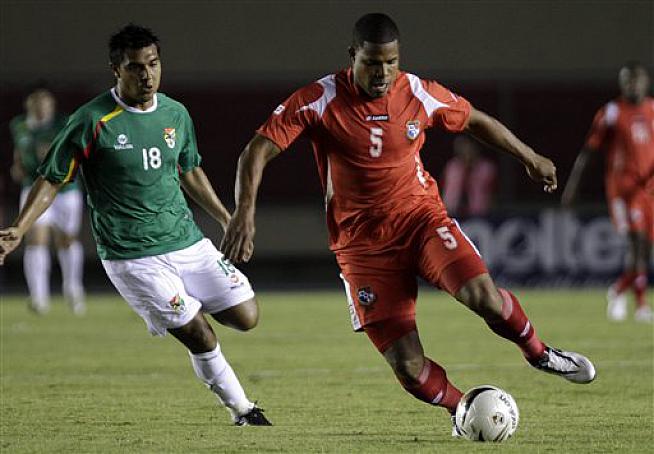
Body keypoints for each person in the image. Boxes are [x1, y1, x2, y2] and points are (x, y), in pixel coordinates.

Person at [222, 13, 595, 434]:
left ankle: (540, 354)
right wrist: (244, 211)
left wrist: (530, 157)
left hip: (421, 221)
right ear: (352, 56)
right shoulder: (320, 99)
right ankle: (462, 410)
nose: (382, 73)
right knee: (408, 366)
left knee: (483, 296)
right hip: (361, 248)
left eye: (391, 62)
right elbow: (256, 151)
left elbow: (474, 119)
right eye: (372, 63)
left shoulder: (417, 92)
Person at [0, 24, 271, 426]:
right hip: (133, 256)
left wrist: (226, 218)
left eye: (153, 64)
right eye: (135, 67)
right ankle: (242, 408)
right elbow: (52, 178)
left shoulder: (175, 113)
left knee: (246, 316)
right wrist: (20, 228)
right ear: (116, 70)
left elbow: (189, 170)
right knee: (198, 332)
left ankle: (167, 306)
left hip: (187, 242)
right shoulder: (91, 119)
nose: (147, 75)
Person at [562, 62, 653, 323]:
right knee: (636, 243)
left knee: (645, 248)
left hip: (648, 191)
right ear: (622, 84)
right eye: (628, 81)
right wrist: (573, 187)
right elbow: (589, 152)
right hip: (623, 190)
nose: (633, 85)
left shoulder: (652, 109)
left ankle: (619, 290)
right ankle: (641, 305)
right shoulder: (612, 112)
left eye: (637, 80)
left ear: (645, 82)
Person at [9, 88, 86, 315]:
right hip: (33, 189)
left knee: (67, 240)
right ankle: (38, 296)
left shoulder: (64, 124)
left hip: (64, 189)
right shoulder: (19, 125)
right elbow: (19, 151)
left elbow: (77, 151)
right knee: (35, 240)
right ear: (29, 106)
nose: (41, 109)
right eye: (37, 105)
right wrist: (17, 166)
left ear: (52, 106)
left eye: (45, 105)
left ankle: (73, 288)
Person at [441, 135, 497, 218]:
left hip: (479, 216)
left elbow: (494, 194)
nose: (465, 150)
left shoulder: (487, 168)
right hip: (451, 214)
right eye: (462, 146)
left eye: (468, 146)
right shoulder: (452, 167)